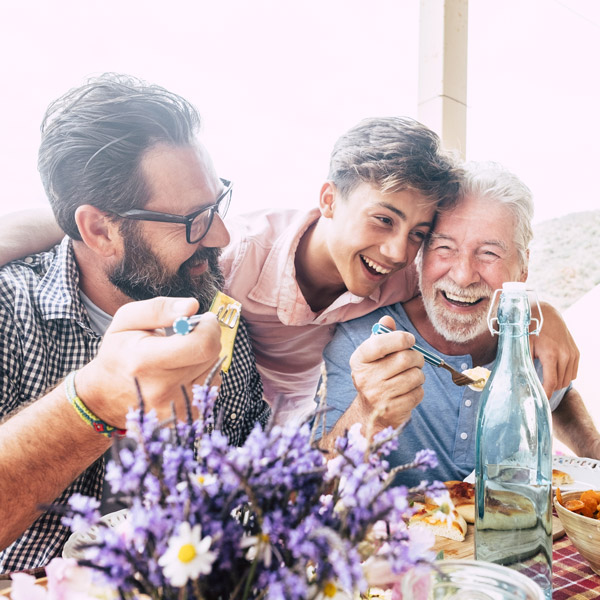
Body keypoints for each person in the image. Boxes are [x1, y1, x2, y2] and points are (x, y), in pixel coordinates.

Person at [0, 121, 580, 425]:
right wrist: (66, 223)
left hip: (296, 436)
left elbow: (472, 282)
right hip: (235, 425)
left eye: (420, 234)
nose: (400, 250)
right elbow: (139, 239)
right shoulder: (226, 259)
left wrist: (537, 310)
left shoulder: (406, 269)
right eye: (382, 219)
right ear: (329, 200)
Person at [0, 74, 269, 573]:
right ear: (99, 230)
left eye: (218, 204)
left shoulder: (212, 307)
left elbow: (250, 485)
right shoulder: (11, 311)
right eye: (194, 219)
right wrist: (90, 402)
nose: (223, 236)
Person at [317, 161, 599, 485]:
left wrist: (593, 448)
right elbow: (313, 489)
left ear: (522, 268)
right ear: (420, 256)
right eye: (444, 247)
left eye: (489, 253)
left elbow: (559, 399)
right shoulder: (362, 342)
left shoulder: (528, 338)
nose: (463, 276)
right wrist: (368, 415)